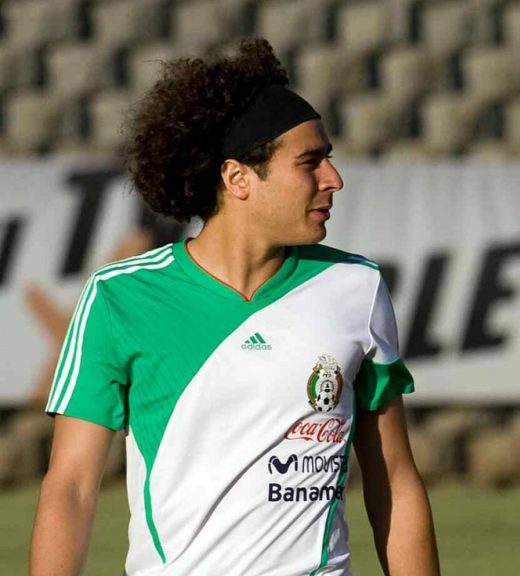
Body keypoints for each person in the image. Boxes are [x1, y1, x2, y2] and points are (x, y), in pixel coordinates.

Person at [30, 38, 440, 576]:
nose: (333, 179)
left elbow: (395, 480)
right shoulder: (119, 296)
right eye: (310, 162)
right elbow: (71, 488)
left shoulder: (356, 287)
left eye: (329, 159)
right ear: (238, 178)